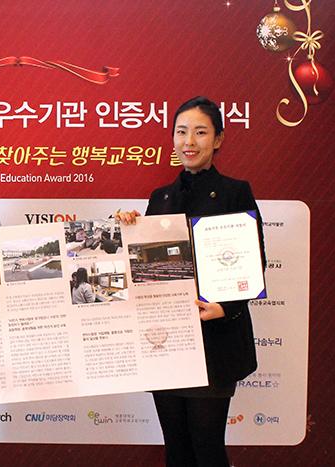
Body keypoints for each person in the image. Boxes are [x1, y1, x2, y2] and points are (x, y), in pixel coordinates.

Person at [116, 96, 265, 467]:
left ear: (218, 139)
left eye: (200, 132)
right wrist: (126, 229)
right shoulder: (160, 198)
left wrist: (225, 308)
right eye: (181, 132)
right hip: (166, 341)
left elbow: (253, 263)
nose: (189, 142)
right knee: (177, 450)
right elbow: (142, 270)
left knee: (207, 448)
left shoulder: (235, 192)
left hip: (214, 342)